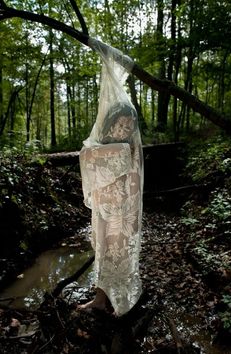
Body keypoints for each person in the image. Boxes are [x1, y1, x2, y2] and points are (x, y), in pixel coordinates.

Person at [78, 42, 144, 317]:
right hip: (105, 210)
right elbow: (88, 154)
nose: (125, 128)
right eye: (121, 123)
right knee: (103, 251)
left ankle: (123, 298)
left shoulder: (129, 148)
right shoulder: (101, 142)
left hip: (123, 210)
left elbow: (131, 177)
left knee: (121, 253)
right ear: (111, 122)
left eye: (129, 125)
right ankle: (100, 299)